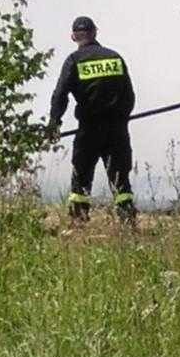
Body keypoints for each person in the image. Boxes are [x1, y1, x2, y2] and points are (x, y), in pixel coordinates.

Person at [49, 15, 137, 225]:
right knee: (120, 178)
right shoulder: (115, 57)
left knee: (82, 176)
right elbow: (130, 95)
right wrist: (121, 118)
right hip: (117, 129)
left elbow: (60, 94)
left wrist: (54, 122)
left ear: (73, 37)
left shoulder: (74, 60)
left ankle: (79, 220)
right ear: (95, 32)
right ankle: (127, 221)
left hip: (89, 129)